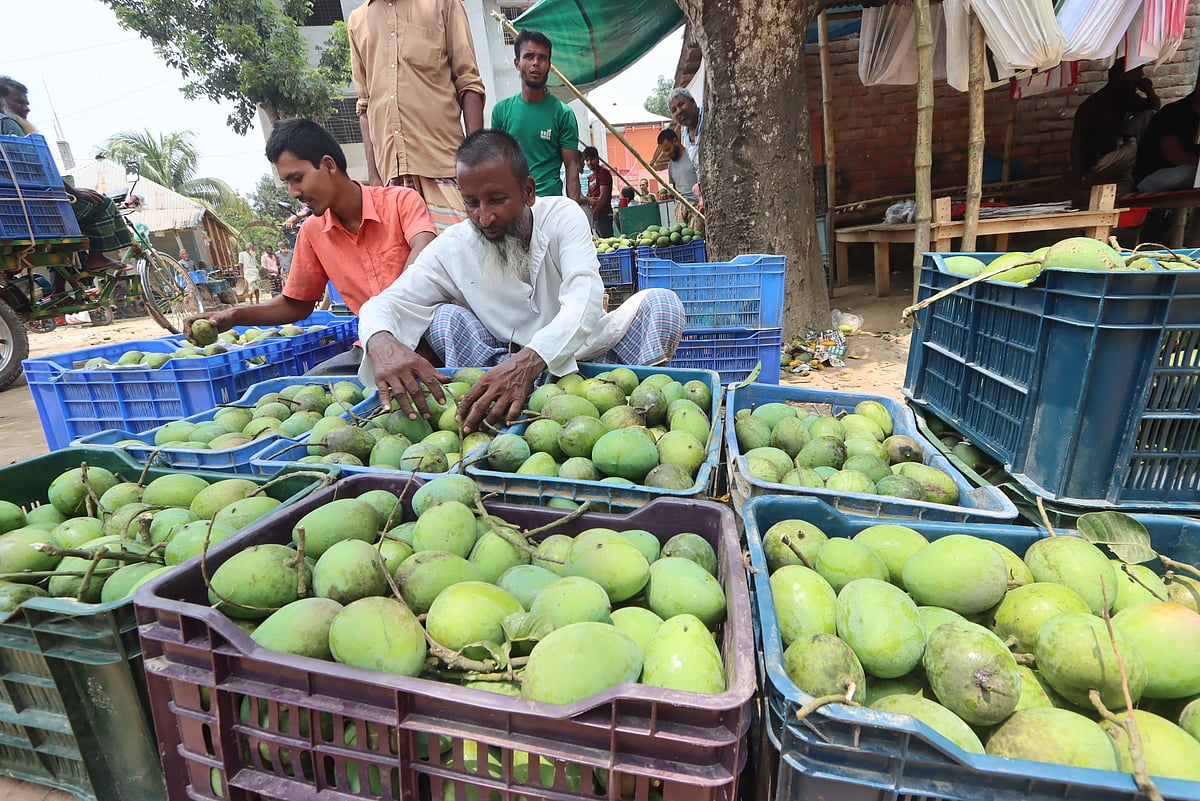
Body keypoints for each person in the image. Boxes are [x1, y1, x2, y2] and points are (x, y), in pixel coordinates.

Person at [358, 129, 685, 435]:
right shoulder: (454, 246)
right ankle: (490, 411)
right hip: (501, 365)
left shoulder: (562, 216)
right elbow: (387, 302)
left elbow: (585, 297)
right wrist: (382, 342)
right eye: (471, 203)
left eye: (496, 200)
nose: (483, 218)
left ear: (528, 191)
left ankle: (632, 413)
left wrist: (530, 362)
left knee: (662, 304)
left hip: (589, 359)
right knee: (444, 319)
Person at [185, 118, 436, 375]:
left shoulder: (400, 202)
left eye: (297, 179)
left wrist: (387, 320)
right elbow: (297, 304)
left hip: (429, 336)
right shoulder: (312, 232)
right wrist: (233, 316)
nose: (294, 193)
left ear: (328, 165)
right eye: (287, 183)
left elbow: (424, 250)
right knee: (307, 391)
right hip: (373, 348)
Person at [347, 0, 484, 232]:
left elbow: (468, 82)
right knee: (412, 267)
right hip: (392, 184)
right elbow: (365, 105)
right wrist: (375, 181)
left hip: (445, 167)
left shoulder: (443, 3)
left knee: (467, 259)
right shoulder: (357, 21)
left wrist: (477, 161)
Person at [1, 76, 132, 281]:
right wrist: (74, 191)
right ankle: (97, 257)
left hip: (10, 209)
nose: (25, 108)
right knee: (102, 204)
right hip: (29, 208)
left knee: (71, 236)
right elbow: (34, 168)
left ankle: (59, 291)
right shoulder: (8, 123)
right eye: (17, 101)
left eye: (26, 103)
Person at [490, 30, 581, 201]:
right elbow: (497, 165)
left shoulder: (563, 114)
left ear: (549, 65)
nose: (536, 63)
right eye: (529, 56)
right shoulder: (501, 112)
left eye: (542, 57)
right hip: (514, 206)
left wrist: (573, 212)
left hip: (550, 206)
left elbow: (572, 167)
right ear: (517, 63)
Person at [1071, 60, 1160, 180]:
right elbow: (1078, 137)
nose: (1141, 74)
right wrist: (1078, 171)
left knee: (1149, 116)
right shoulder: (1097, 103)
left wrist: (1149, 91)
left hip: (1118, 153)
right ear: (1122, 74)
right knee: (1139, 151)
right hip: (1098, 162)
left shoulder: (1126, 97)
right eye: (1137, 70)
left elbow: (1153, 107)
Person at [1132, 88, 1200, 193]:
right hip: (1152, 177)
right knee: (1190, 173)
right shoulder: (1175, 112)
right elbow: (1173, 154)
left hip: (1185, 173)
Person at [655, 128, 703, 234]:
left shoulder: (692, 156)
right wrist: (668, 195)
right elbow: (676, 189)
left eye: (668, 149)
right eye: (664, 151)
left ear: (676, 141)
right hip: (680, 208)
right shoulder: (671, 165)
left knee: (696, 238)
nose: (667, 153)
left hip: (696, 208)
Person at [581, 146, 613, 237]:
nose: (589, 162)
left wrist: (594, 214)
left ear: (598, 158)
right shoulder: (590, 177)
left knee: (607, 241)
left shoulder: (603, 173)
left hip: (604, 215)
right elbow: (589, 196)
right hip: (595, 217)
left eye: (592, 159)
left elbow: (603, 196)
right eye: (587, 160)